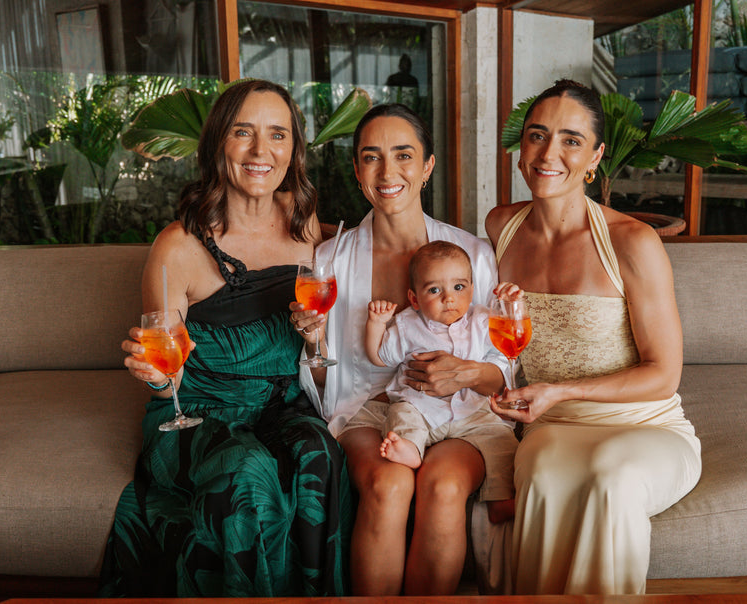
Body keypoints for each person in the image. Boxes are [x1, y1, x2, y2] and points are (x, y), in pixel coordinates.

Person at [99, 79, 352, 597]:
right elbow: (167, 375)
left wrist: (314, 338)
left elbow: (321, 336)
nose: (261, 151)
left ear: (293, 150)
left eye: (278, 134)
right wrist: (156, 375)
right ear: (219, 142)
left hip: (282, 403)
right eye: (243, 132)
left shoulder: (305, 225)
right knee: (246, 471)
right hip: (196, 412)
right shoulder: (178, 246)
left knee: (320, 453)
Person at [483, 79, 702, 595]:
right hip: (549, 426)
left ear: (595, 158)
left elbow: (663, 374)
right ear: (521, 148)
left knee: (611, 476)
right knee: (542, 471)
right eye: (537, 136)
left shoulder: (632, 241)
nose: (548, 154)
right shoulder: (500, 228)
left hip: (644, 425)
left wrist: (559, 391)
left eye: (571, 140)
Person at [290, 103, 507, 596]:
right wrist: (313, 340)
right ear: (357, 170)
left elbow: (505, 366)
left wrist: (465, 373)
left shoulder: (474, 256)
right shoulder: (330, 260)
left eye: (404, 155)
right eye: (372, 157)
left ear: (427, 166)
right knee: (389, 484)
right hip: (369, 412)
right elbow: (325, 383)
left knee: (445, 485)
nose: (388, 172)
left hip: (461, 411)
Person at [362, 240, 517, 502]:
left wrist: (511, 306)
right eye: (434, 290)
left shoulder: (483, 320)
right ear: (415, 299)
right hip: (422, 409)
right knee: (401, 416)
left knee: (502, 439)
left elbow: (508, 348)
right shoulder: (408, 325)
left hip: (471, 412)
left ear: (472, 290)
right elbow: (380, 357)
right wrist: (376, 324)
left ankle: (501, 497)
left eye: (459, 287)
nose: (449, 298)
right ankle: (410, 449)